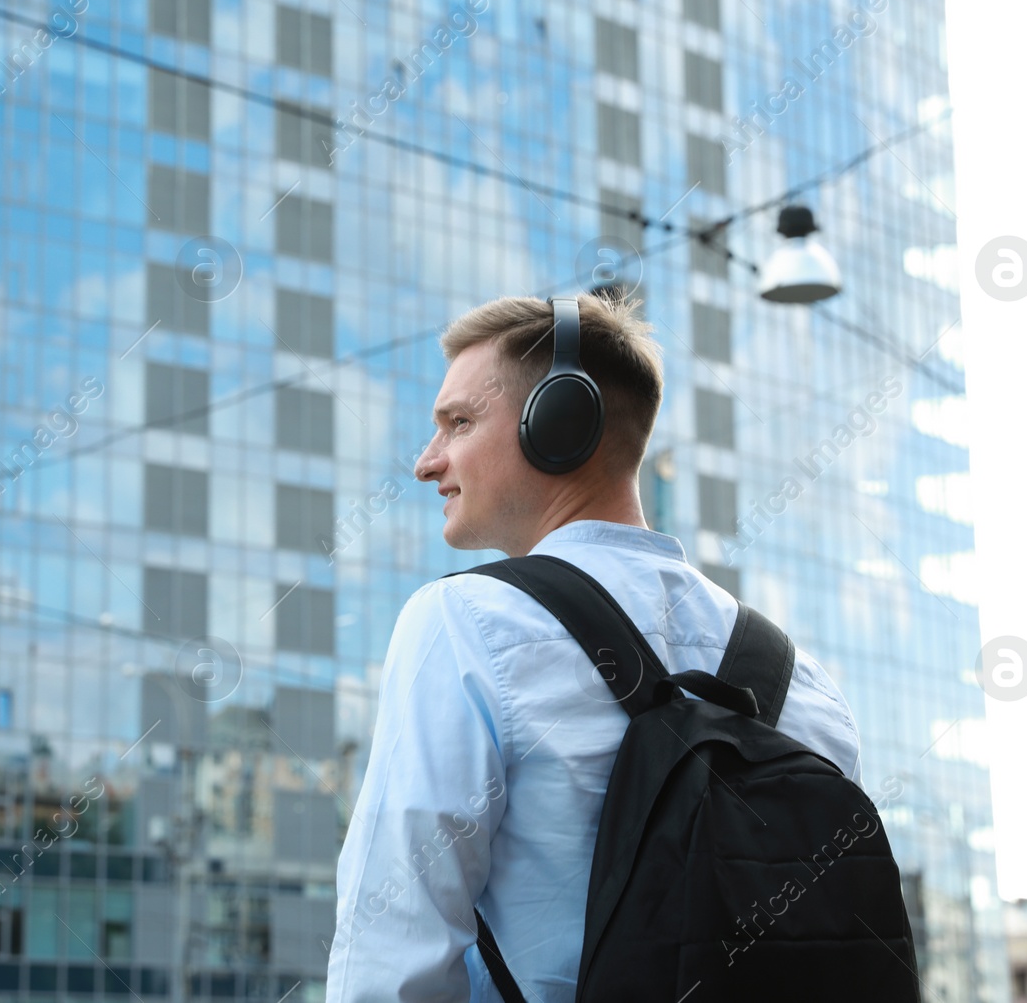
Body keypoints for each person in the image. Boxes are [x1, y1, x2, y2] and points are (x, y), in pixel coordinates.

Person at [324, 292, 863, 1001]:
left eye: (458, 422)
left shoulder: (462, 622)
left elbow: (391, 956)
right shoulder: (807, 688)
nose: (428, 462)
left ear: (560, 421)